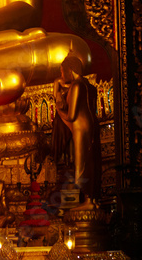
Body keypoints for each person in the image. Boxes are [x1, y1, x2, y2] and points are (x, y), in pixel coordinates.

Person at [52, 52, 98, 199]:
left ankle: (83, 197)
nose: (62, 76)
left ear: (69, 70)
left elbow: (71, 116)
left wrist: (59, 110)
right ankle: (90, 197)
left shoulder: (77, 86)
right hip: (90, 125)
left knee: (80, 164)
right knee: (89, 160)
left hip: (79, 127)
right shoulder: (88, 85)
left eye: (62, 72)